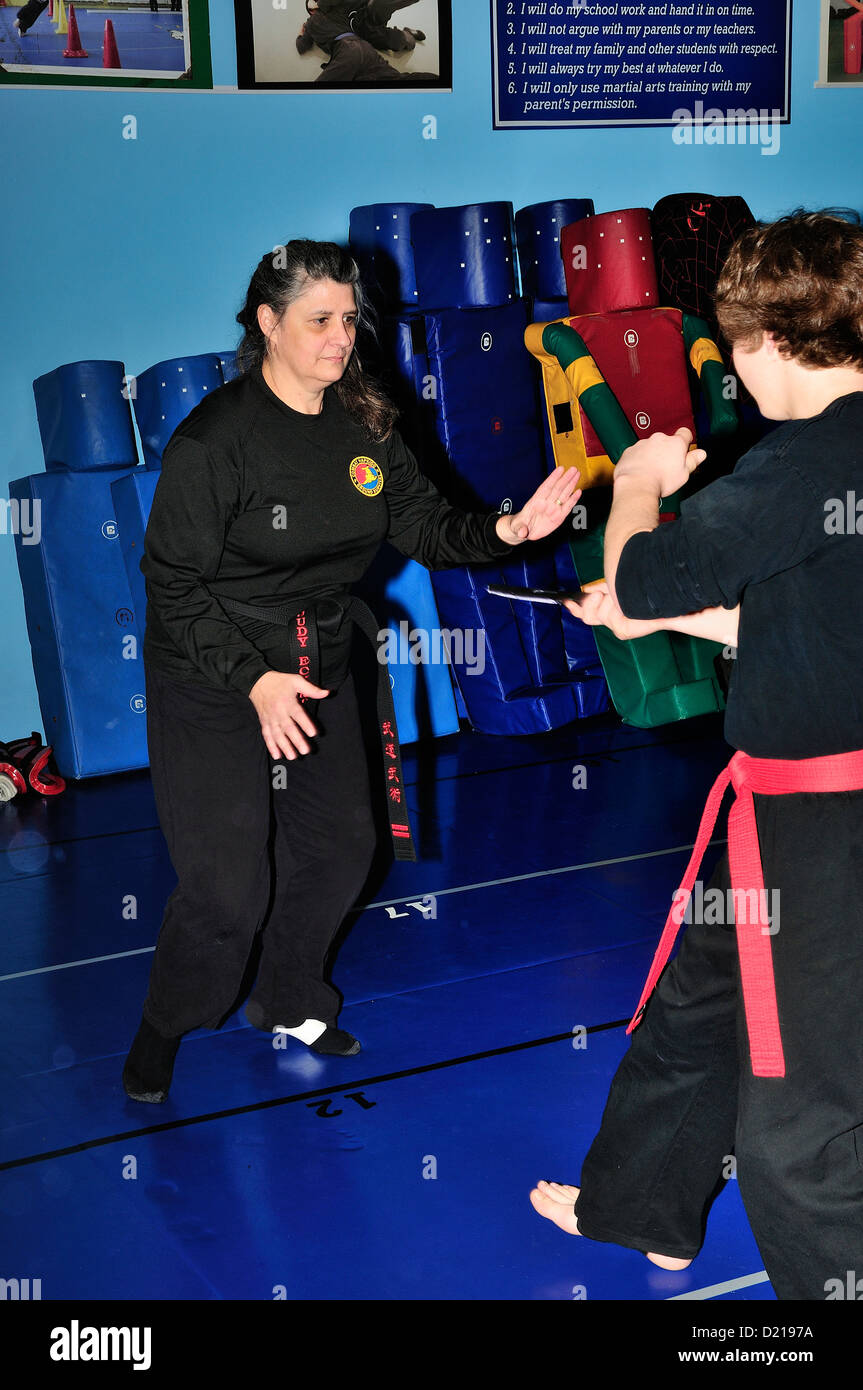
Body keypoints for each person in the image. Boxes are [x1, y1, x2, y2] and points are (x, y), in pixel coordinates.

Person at [122, 239, 581, 1103]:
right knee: (228, 893)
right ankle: (164, 1023)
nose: (340, 338)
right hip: (216, 669)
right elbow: (172, 583)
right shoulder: (215, 440)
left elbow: (424, 528)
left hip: (322, 655)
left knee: (341, 851)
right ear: (268, 323)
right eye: (319, 320)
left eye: (349, 319)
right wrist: (252, 680)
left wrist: (507, 533)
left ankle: (288, 999)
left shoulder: (365, 420)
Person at [530, 209, 863, 1301]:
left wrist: (634, 486)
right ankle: (646, 1210)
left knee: (797, 1126)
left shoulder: (791, 467)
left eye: (732, 345)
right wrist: (673, 619)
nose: (731, 366)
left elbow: (633, 575)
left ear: (771, 341)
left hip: (815, 831)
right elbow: (811, 615)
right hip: (790, 806)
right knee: (697, 1001)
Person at [296, 2, 436, 82]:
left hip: (357, 38)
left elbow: (302, 46)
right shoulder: (320, 19)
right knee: (396, 79)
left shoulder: (336, 9)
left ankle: (408, 35)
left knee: (379, 10)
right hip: (364, 45)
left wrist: (300, 35)